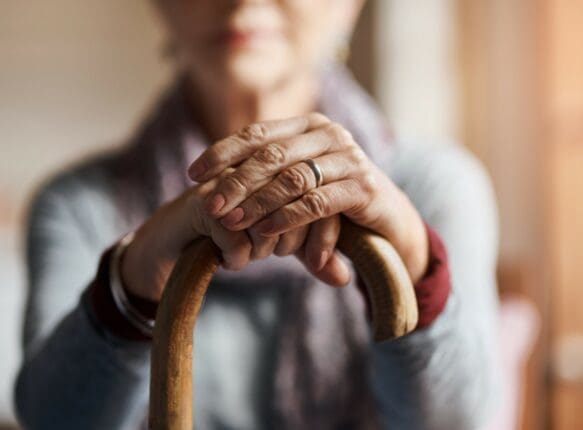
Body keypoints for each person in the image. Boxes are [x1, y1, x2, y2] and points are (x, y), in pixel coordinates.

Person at [14, 1, 502, 429]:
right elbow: (53, 420)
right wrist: (134, 278)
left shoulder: (435, 186)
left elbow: (459, 423)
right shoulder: (77, 204)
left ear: (347, 5)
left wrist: (411, 263)